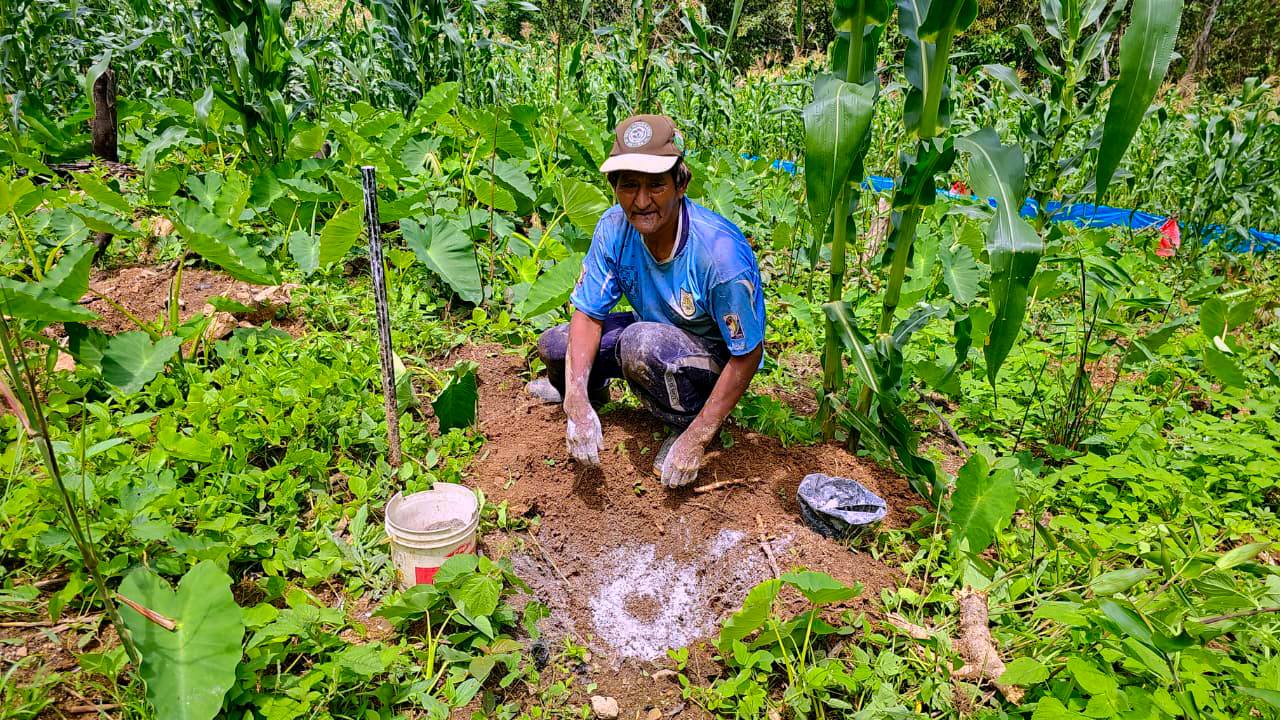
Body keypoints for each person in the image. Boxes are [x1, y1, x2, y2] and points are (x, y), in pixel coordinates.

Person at [526, 114, 765, 488]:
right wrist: (576, 401)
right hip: (648, 335)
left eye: (656, 186)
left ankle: (685, 423)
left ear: (680, 183)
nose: (641, 201)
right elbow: (588, 315)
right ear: (614, 187)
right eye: (628, 186)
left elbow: (747, 353)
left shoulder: (719, 257)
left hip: (709, 357)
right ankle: (592, 395)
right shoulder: (614, 227)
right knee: (557, 345)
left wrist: (697, 438)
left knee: (642, 343)